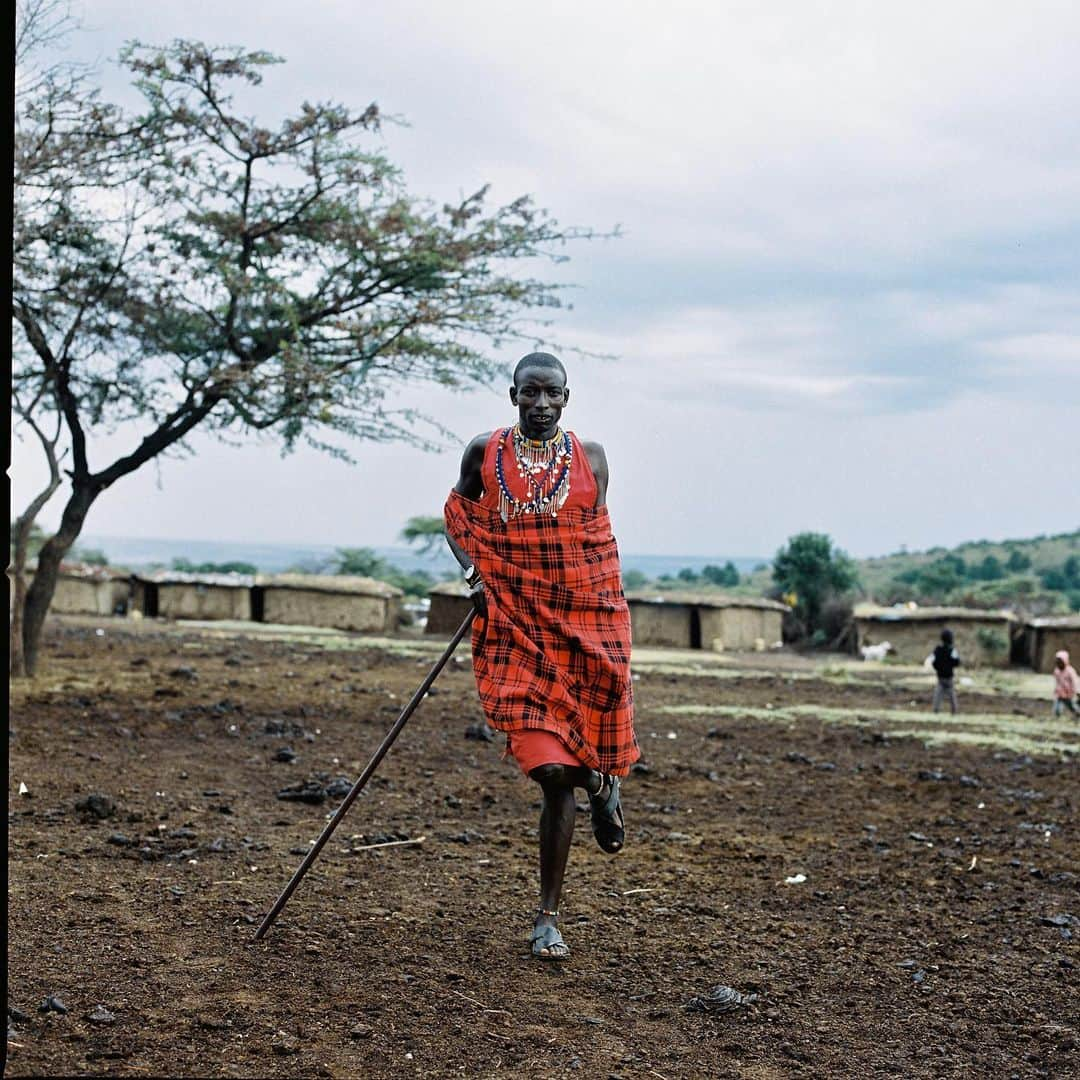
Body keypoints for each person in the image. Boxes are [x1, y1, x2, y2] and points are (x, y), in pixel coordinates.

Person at [443, 352, 639, 961]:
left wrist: (597, 617)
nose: (541, 404)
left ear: (566, 396)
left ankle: (547, 915)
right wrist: (477, 573)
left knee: (562, 776)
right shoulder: (484, 452)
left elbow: (594, 546)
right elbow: (456, 516)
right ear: (513, 395)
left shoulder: (593, 459)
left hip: (584, 628)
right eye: (530, 394)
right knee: (551, 769)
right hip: (513, 628)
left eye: (551, 394)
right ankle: (597, 785)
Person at [931, 628, 961, 714]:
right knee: (951, 694)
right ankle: (954, 711)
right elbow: (957, 662)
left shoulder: (937, 650)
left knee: (938, 694)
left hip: (940, 676)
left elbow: (933, 662)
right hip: (949, 676)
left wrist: (938, 668)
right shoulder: (952, 650)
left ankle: (936, 709)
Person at [1051, 650, 1079, 717]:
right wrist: (1056, 689)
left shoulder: (1070, 671)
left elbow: (1075, 681)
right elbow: (1057, 681)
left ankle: (1077, 712)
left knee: (1071, 706)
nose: (1059, 663)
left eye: (1060, 661)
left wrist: (1076, 691)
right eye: (1057, 662)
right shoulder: (1057, 671)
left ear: (1065, 661)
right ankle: (1057, 715)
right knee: (1057, 706)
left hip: (1068, 693)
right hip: (1060, 693)